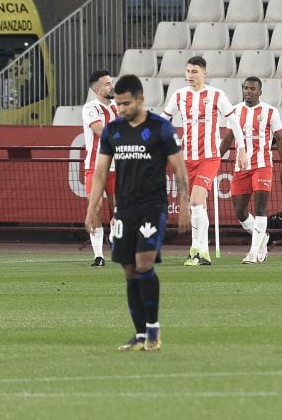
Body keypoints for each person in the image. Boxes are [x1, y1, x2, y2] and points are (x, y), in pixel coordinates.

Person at [85, 74, 189, 352]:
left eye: (126, 104)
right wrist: (92, 207)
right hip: (125, 209)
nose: (121, 109)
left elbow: (179, 170)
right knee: (129, 269)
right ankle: (140, 334)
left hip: (152, 207)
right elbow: (100, 172)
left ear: (141, 99)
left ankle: (153, 329)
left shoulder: (161, 128)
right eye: (118, 104)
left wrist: (185, 205)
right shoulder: (113, 131)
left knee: (144, 264)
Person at [161, 56, 248, 267]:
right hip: (186, 158)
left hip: (209, 157)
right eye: (188, 71)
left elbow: (233, 120)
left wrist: (242, 149)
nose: (190, 75)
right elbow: (164, 119)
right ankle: (200, 252)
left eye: (195, 72)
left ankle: (198, 251)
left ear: (204, 73)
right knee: (197, 207)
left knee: (196, 201)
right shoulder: (179, 95)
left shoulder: (216, 95)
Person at [220, 76, 282, 264]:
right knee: (240, 212)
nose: (248, 92)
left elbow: (281, 140)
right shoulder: (235, 111)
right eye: (246, 88)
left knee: (261, 208)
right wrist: (215, 159)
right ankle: (263, 237)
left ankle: (253, 252)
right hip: (241, 167)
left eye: (253, 89)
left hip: (263, 166)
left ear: (260, 92)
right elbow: (228, 139)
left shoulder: (270, 112)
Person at [82, 70, 119, 267]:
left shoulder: (118, 109)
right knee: (95, 209)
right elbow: (101, 132)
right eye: (107, 84)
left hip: (116, 167)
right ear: (97, 89)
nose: (111, 86)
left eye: (111, 82)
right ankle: (99, 255)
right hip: (95, 168)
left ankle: (113, 235)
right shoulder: (90, 108)